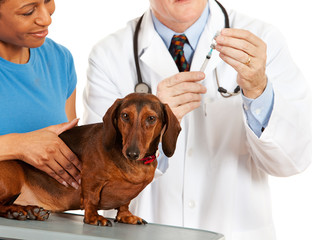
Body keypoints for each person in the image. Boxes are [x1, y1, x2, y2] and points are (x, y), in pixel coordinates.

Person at [83, 0, 312, 239]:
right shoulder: (109, 55)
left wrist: (258, 90)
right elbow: (98, 176)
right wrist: (155, 126)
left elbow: (293, 159)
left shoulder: (262, 41)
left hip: (234, 230)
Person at [0, 0, 82, 215]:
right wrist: (18, 145)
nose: (46, 18)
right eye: (28, 11)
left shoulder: (60, 59)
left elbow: (69, 159)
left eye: (48, 1)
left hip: (45, 228)